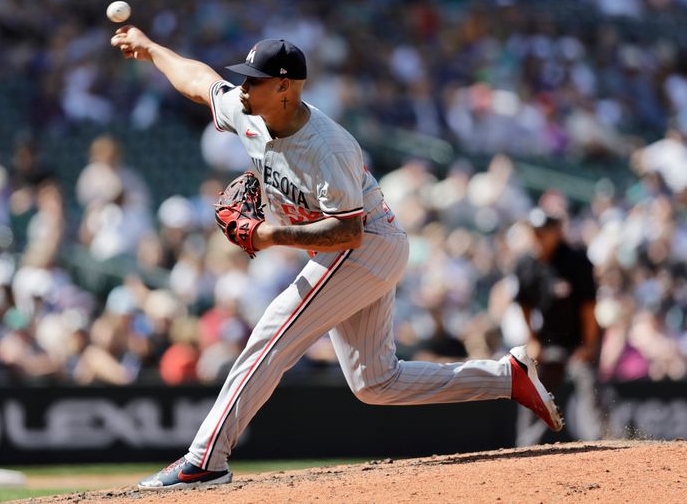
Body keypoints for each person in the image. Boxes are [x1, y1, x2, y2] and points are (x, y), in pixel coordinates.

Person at [110, 26, 564, 490]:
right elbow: (198, 81)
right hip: (354, 248)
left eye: (254, 80)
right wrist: (151, 50)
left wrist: (269, 236)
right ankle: (505, 376)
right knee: (375, 382)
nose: (242, 88)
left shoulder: (329, 147)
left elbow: (347, 231)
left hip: (367, 244)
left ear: (284, 87)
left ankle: (206, 459)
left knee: (271, 337)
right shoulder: (249, 111)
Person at [513, 206, 602, 445]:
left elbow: (589, 307)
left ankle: (600, 442)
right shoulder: (526, 263)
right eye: (535, 231)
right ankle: (527, 447)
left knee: (586, 382)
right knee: (533, 383)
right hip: (548, 338)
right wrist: (532, 339)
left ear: (557, 231)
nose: (539, 236)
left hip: (580, 338)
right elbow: (524, 305)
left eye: (544, 231)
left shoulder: (576, 260)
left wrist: (589, 345)